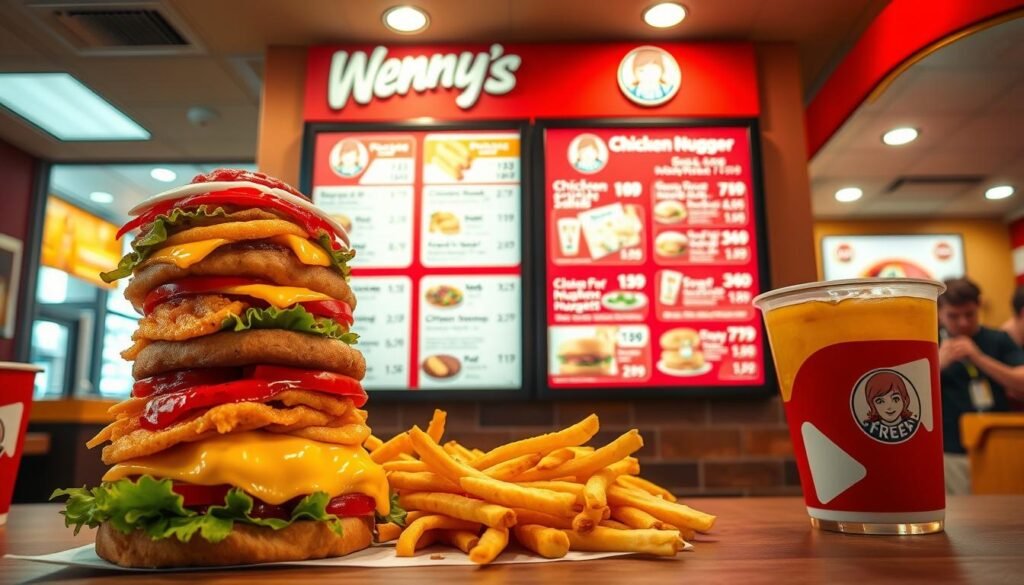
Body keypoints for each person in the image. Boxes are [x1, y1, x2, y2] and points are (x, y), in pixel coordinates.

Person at [938, 278, 1024, 494]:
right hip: (950, 449)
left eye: (970, 314)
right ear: (939, 313)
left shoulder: (998, 339)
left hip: (997, 445)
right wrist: (937, 365)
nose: (963, 323)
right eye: (953, 316)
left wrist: (978, 358)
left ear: (979, 306)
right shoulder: (930, 344)